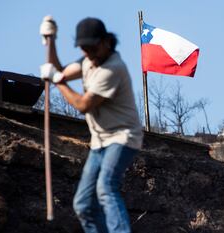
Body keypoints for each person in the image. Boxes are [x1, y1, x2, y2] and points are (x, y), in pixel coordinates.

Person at [39, 16, 143, 233]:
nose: (88, 54)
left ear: (105, 42)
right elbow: (59, 70)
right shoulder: (88, 61)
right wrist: (51, 39)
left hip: (123, 137)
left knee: (106, 187)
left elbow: (83, 104)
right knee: (83, 204)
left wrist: (57, 80)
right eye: (84, 49)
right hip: (99, 141)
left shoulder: (112, 69)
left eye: (92, 48)